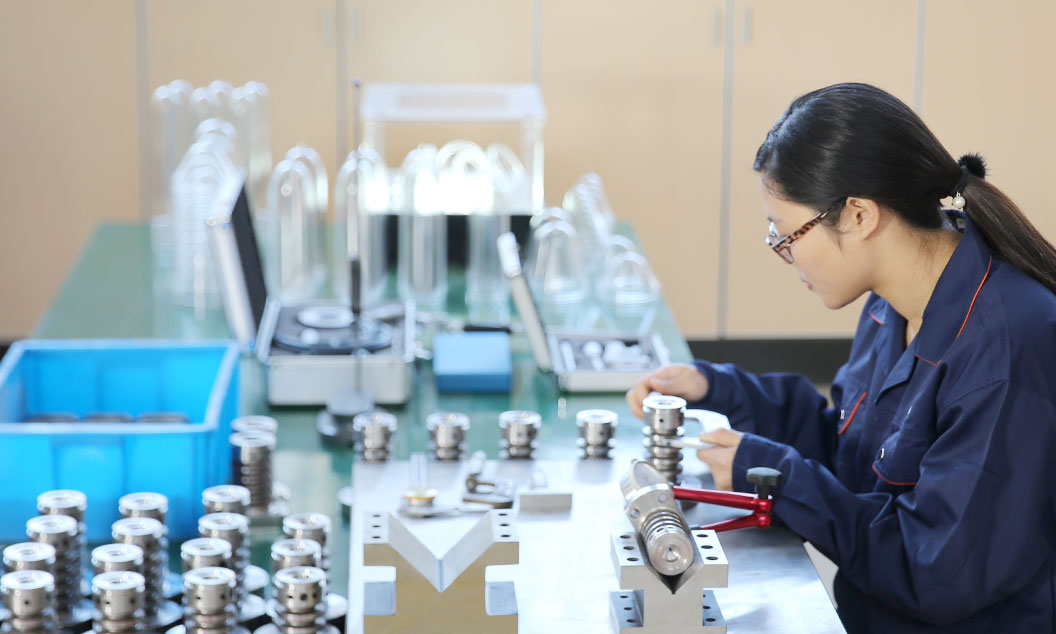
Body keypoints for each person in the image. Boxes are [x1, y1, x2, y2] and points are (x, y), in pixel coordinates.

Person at [626, 83, 1056, 633]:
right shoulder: (891, 303)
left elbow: (935, 572)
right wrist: (718, 391)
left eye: (788, 235)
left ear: (857, 215)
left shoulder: (1005, 350)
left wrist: (781, 480)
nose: (785, 255)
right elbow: (856, 453)